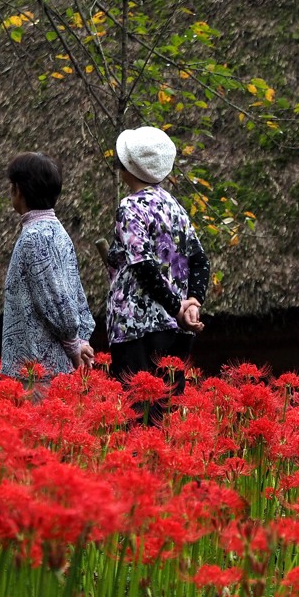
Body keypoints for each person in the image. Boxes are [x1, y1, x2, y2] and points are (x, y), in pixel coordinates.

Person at [106, 126, 210, 403]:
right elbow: (199, 260)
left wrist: (178, 308)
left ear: (126, 167)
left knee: (137, 415)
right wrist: (192, 304)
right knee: (166, 416)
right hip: (175, 331)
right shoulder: (175, 207)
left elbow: (143, 267)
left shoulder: (130, 207)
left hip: (136, 330)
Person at [1, 152, 95, 382]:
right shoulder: (58, 232)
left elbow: (54, 300)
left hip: (37, 367)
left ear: (18, 190)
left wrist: (74, 343)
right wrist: (79, 338)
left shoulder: (33, 237)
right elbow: (74, 292)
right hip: (52, 363)